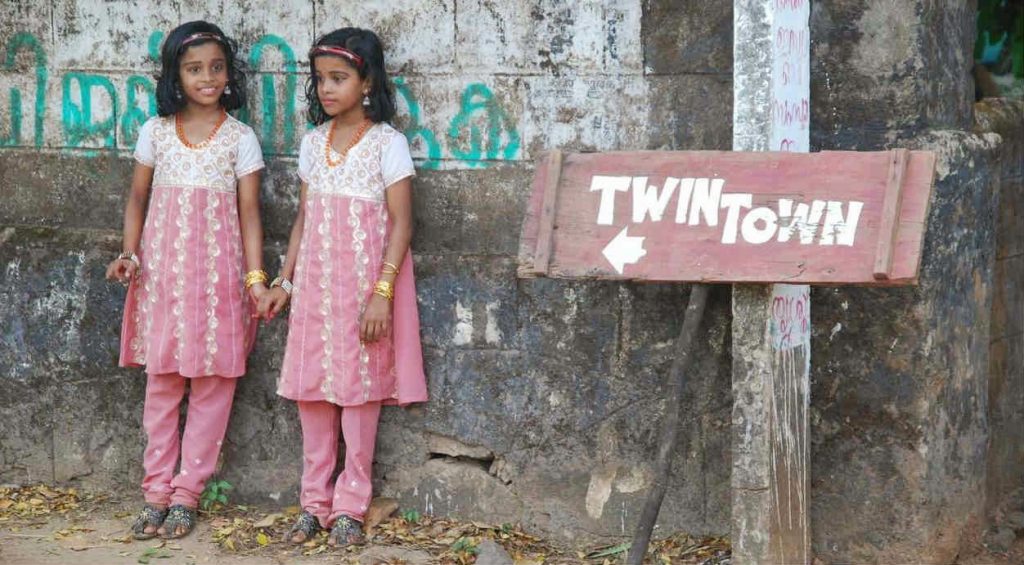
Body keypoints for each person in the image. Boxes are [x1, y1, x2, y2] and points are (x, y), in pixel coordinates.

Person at [258, 27, 427, 547]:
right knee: (311, 390)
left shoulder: (387, 144)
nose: (327, 89)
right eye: (320, 79)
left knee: (358, 394)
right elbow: (304, 218)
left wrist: (382, 291)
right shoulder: (313, 143)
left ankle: (352, 502)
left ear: (367, 80)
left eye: (339, 78)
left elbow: (402, 224)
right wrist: (285, 280)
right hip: (315, 291)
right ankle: (313, 502)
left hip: (362, 290)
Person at [105, 20, 267, 540]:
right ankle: (155, 492)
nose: (208, 78)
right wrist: (129, 253)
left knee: (213, 386)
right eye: (195, 68)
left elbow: (249, 214)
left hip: (219, 284)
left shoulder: (241, 139)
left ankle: (187, 494)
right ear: (175, 73)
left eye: (217, 68)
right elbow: (137, 198)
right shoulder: (155, 132)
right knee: (163, 383)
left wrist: (255, 279)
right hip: (163, 284)